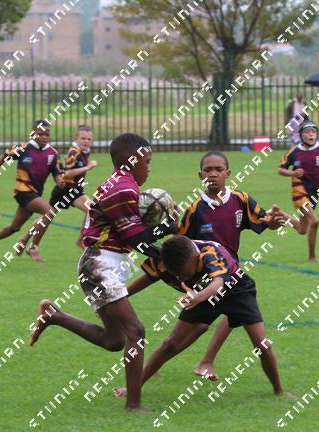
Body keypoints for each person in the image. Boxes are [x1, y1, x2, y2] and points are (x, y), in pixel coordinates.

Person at [28, 133, 176, 411]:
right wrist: (169, 230)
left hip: (106, 262)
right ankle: (134, 404)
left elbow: (135, 236)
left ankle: (54, 316)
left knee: (114, 340)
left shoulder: (122, 183)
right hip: (100, 264)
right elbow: (137, 240)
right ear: (132, 160)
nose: (149, 167)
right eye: (147, 161)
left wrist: (166, 240)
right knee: (136, 331)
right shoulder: (122, 188)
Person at [113, 235, 293, 399]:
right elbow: (148, 278)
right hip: (200, 295)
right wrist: (119, 298)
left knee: (262, 345)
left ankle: (279, 390)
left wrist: (197, 298)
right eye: (177, 276)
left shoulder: (210, 252)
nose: (182, 278)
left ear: (195, 257)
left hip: (236, 291)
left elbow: (218, 283)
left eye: (185, 274)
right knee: (170, 344)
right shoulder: (164, 259)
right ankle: (133, 388)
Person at [164, 151, 289, 381]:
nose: (213, 174)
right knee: (195, 329)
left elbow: (265, 222)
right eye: (208, 170)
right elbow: (178, 244)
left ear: (228, 173)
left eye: (218, 169)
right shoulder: (195, 209)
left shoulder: (241, 200)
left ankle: (206, 362)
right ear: (200, 175)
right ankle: (165, 363)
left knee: (234, 318)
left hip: (231, 276)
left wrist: (272, 223)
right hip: (206, 280)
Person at [0, 120, 65, 262]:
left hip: (35, 194)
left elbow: (57, 174)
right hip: (22, 192)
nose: (44, 137)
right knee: (49, 212)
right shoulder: (24, 148)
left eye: (47, 134)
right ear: (33, 134)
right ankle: (32, 247)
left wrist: (60, 182)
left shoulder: (53, 153)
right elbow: (4, 157)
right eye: (40, 134)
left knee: (14, 227)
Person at [278, 120, 319, 262]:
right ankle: (312, 256)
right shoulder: (294, 152)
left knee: (302, 229)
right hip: (299, 191)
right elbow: (281, 169)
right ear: (301, 135)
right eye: (307, 132)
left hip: (313, 192)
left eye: (313, 132)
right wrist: (292, 173)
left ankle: (278, 213)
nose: (310, 134)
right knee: (314, 222)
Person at [47, 124, 98, 248]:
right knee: (47, 218)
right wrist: (88, 167)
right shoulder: (73, 152)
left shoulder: (84, 151)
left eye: (89, 139)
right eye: (83, 138)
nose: (86, 141)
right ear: (75, 138)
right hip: (65, 190)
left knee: (93, 210)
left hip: (75, 190)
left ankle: (81, 240)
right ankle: (25, 238)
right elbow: (68, 173)